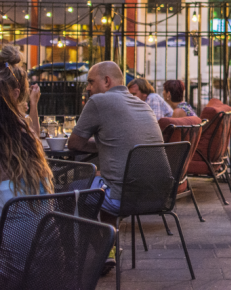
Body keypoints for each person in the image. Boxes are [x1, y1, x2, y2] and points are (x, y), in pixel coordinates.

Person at [68, 61, 164, 216]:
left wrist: (102, 145)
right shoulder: (143, 105)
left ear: (106, 81)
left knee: (71, 188)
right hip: (157, 195)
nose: (87, 88)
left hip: (121, 198)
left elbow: (74, 143)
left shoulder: (98, 101)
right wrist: (108, 144)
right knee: (100, 178)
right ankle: (106, 237)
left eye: (91, 82)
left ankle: (82, 239)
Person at [0, 46, 53, 208]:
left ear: (14, 94)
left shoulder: (8, 129)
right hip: (43, 228)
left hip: (13, 227)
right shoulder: (21, 130)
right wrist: (34, 104)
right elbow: (35, 135)